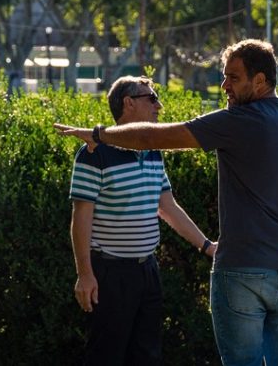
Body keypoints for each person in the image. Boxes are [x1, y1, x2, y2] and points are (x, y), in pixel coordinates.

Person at [55, 39, 278, 366]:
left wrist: (98, 134)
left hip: (241, 271)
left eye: (233, 78)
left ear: (260, 81)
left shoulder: (236, 121)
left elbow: (151, 138)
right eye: (224, 76)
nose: (224, 85)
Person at [68, 76, 216, 365]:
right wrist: (85, 274)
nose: (159, 106)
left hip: (147, 270)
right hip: (110, 273)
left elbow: (168, 207)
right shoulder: (93, 154)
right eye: (152, 98)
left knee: (147, 355)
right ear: (129, 103)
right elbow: (81, 217)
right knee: (106, 356)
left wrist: (207, 245)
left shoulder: (152, 151)